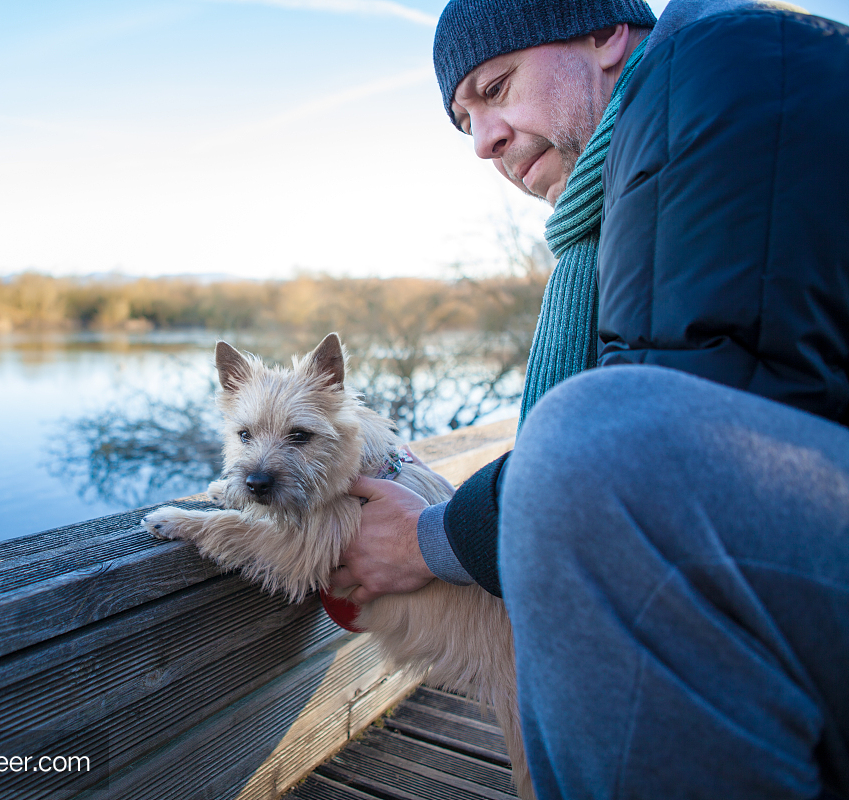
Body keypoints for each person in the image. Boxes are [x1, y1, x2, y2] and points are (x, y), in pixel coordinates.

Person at [332, 0, 849, 797]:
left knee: (590, 444)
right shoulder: (632, 178)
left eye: (497, 87)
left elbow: (665, 448)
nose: (483, 142)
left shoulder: (720, 67)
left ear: (605, 35)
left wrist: (424, 540)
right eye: (463, 119)